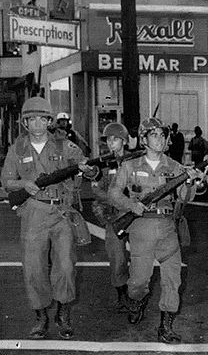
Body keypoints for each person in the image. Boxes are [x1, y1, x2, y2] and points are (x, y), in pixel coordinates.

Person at [1, 97, 97, 339]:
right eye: (31, 120)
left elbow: (88, 168)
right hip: (33, 212)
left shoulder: (64, 146)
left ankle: (62, 314)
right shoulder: (18, 148)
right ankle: (41, 316)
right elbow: (6, 181)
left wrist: (91, 170)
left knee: (65, 265)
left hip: (61, 212)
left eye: (41, 119)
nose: (37, 124)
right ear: (25, 123)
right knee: (33, 269)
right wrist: (25, 184)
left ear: (48, 121)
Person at [108, 117, 201, 344]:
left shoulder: (175, 167)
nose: (159, 139)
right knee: (138, 283)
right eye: (154, 135)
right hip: (141, 228)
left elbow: (184, 198)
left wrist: (189, 183)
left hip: (168, 228)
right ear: (144, 139)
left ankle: (166, 326)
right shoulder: (130, 166)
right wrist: (132, 205)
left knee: (173, 279)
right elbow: (113, 194)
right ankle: (138, 301)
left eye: (162, 135)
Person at [90, 122, 132, 311]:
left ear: (124, 141)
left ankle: (136, 292)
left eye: (115, 139)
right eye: (108, 139)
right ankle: (122, 295)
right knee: (117, 258)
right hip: (114, 216)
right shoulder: (101, 164)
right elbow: (97, 192)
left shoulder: (135, 160)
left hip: (136, 215)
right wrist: (112, 199)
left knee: (141, 257)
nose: (111, 143)